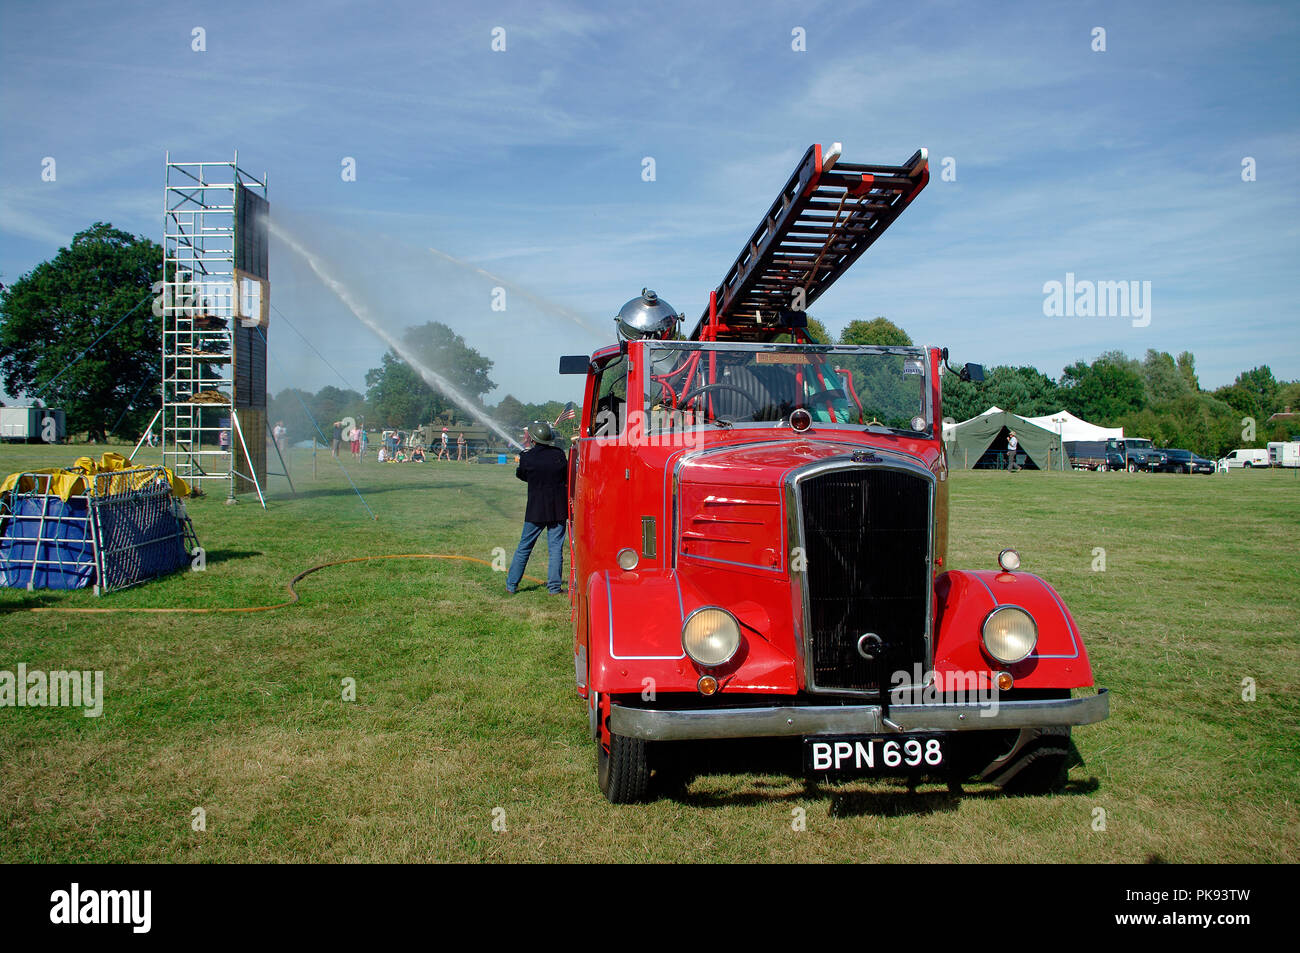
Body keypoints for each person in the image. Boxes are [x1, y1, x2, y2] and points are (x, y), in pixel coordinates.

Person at [506, 421, 568, 595]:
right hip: (558, 509)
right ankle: (554, 588)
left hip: (536, 510)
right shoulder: (559, 454)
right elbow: (565, 476)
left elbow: (522, 474)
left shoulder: (527, 457)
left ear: (532, 439)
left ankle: (511, 585)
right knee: (555, 549)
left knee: (524, 547)